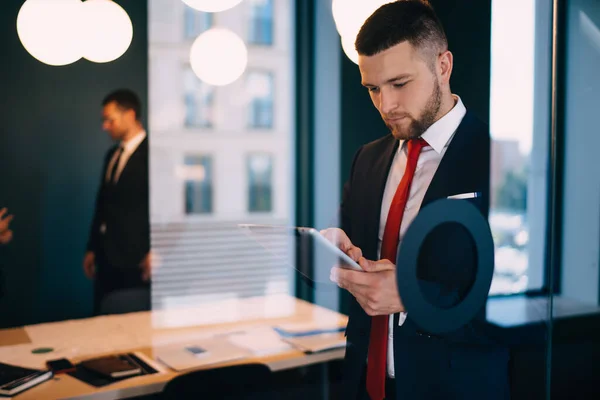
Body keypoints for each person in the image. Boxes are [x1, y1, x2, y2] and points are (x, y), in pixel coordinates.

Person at [323, 1, 509, 399]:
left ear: (443, 65)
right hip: (364, 383)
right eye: (373, 88)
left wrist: (412, 297)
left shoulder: (495, 160)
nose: (385, 105)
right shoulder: (367, 159)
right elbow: (354, 249)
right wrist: (334, 248)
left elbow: (513, 301)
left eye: (399, 83)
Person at [84, 89, 151, 315]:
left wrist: (159, 251)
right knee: (103, 318)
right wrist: (92, 247)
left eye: (109, 119)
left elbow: (174, 208)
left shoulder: (155, 155)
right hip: (106, 258)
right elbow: (102, 204)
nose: (105, 126)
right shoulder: (111, 155)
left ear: (130, 115)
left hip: (136, 261)